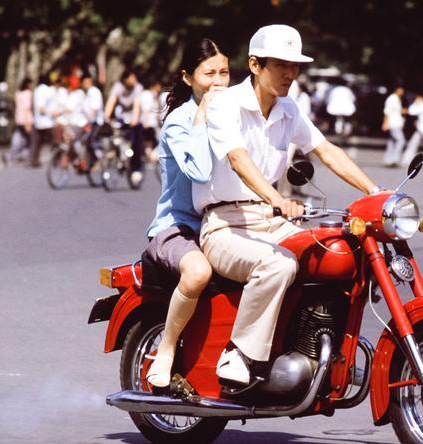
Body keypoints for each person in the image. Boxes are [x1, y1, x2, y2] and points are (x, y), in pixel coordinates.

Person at [193, 24, 378, 385]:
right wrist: (276, 198)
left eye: (295, 65)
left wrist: (376, 191)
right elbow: (237, 158)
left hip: (270, 220)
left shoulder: (288, 108)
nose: (290, 73)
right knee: (276, 266)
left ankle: (318, 349)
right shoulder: (224, 104)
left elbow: (325, 151)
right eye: (280, 64)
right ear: (255, 65)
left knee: (334, 254)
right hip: (225, 225)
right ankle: (239, 355)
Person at [144, 38, 230, 390]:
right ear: (188, 78)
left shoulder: (237, 117)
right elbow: (198, 171)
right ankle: (165, 348)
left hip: (224, 223)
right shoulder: (178, 122)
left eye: (224, 72)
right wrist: (203, 115)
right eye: (209, 74)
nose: (219, 82)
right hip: (177, 228)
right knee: (197, 272)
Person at [104, 69, 145, 184]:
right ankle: (119, 158)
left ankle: (137, 168)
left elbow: (137, 105)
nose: (133, 81)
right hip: (122, 117)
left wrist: (134, 120)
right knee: (116, 137)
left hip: (135, 118)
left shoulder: (138, 88)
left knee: (135, 143)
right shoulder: (118, 87)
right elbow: (111, 102)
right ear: (124, 80)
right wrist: (106, 117)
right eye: (131, 78)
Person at [30, 74, 57, 167]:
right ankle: (56, 161)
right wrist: (52, 113)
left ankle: (34, 160)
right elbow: (42, 107)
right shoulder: (48, 90)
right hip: (48, 121)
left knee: (37, 143)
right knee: (54, 142)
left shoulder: (36, 90)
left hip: (38, 121)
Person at [5, 78, 34, 165]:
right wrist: (27, 122)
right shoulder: (28, 94)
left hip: (18, 118)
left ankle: (12, 154)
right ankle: (24, 155)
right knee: (28, 139)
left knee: (19, 136)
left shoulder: (18, 93)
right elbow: (27, 108)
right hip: (26, 118)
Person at [382, 83, 405, 167]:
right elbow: (387, 112)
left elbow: (396, 111)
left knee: (392, 142)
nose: (402, 92)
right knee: (400, 140)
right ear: (397, 89)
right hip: (393, 123)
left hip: (396, 123)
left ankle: (388, 160)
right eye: (401, 89)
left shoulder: (397, 99)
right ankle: (394, 159)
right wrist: (385, 123)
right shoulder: (392, 99)